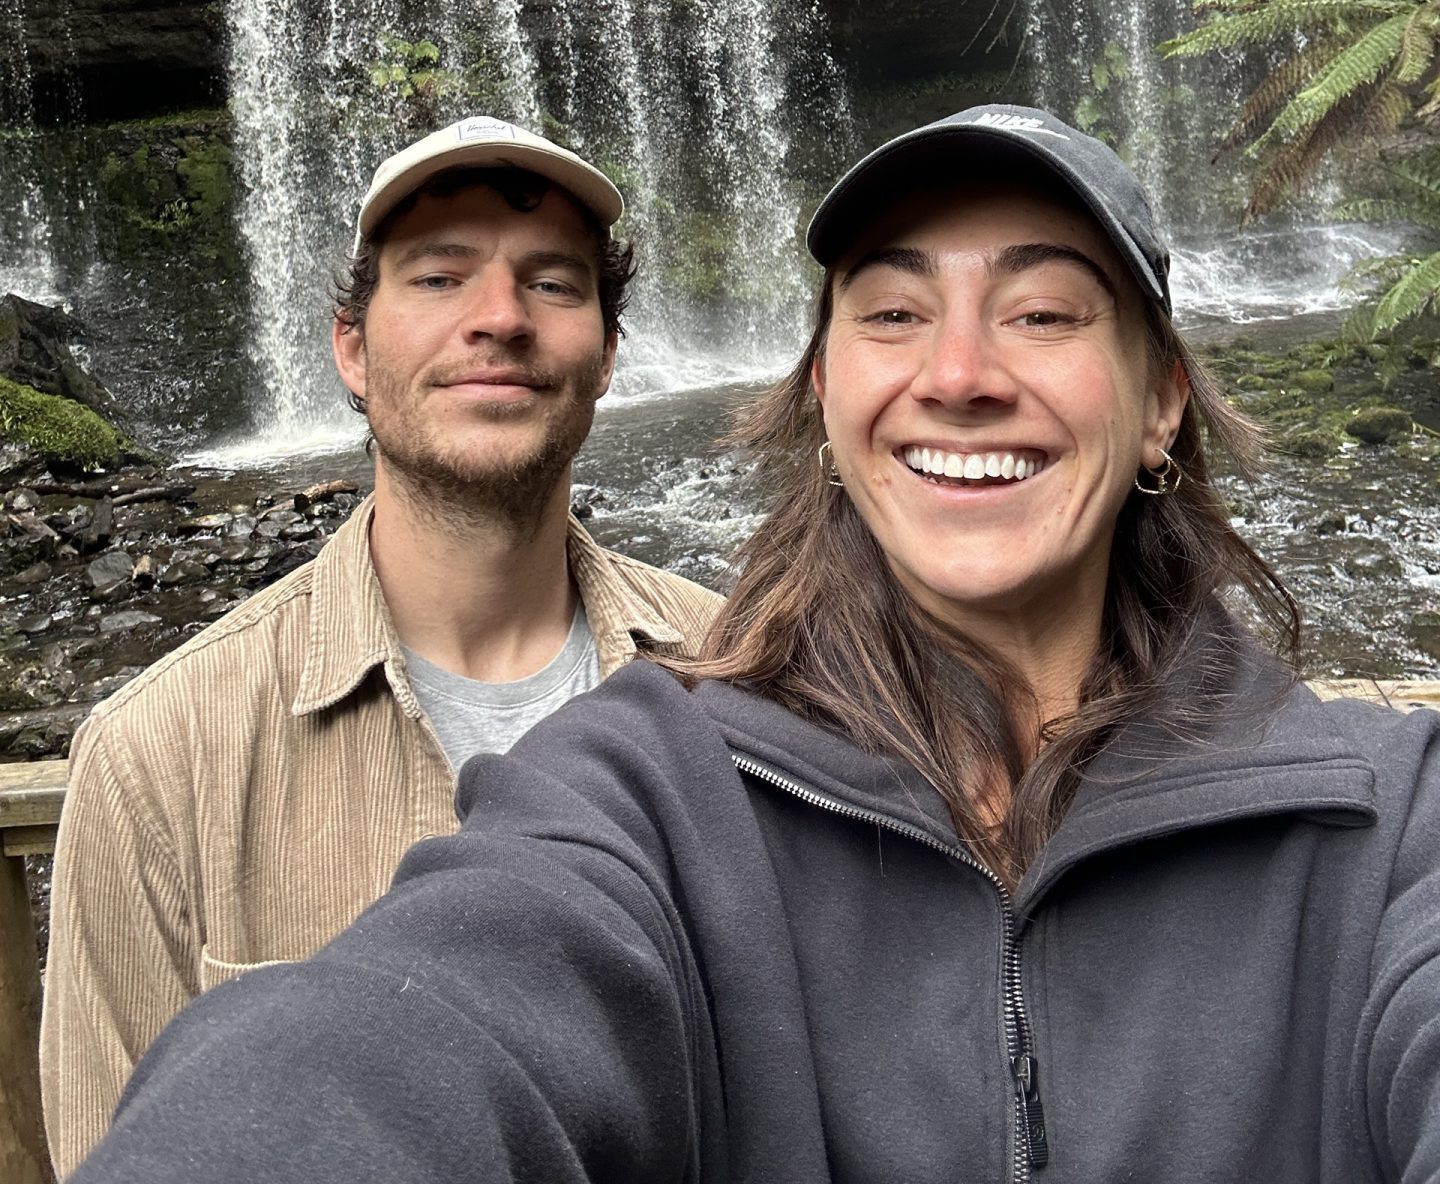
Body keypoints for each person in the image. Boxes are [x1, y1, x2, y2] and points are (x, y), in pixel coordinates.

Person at [70, 105, 1440, 1184]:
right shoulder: (650, 785)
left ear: (1161, 404)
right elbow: (419, 1025)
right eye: (892, 312)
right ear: (829, 393)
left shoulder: (1392, 826)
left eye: (1044, 312)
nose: (959, 372)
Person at [41, 115, 721, 1176]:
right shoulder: (153, 761)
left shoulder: (743, 680)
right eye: (441, 279)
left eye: (552, 282)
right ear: (351, 347)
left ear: (606, 354)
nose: (499, 318)